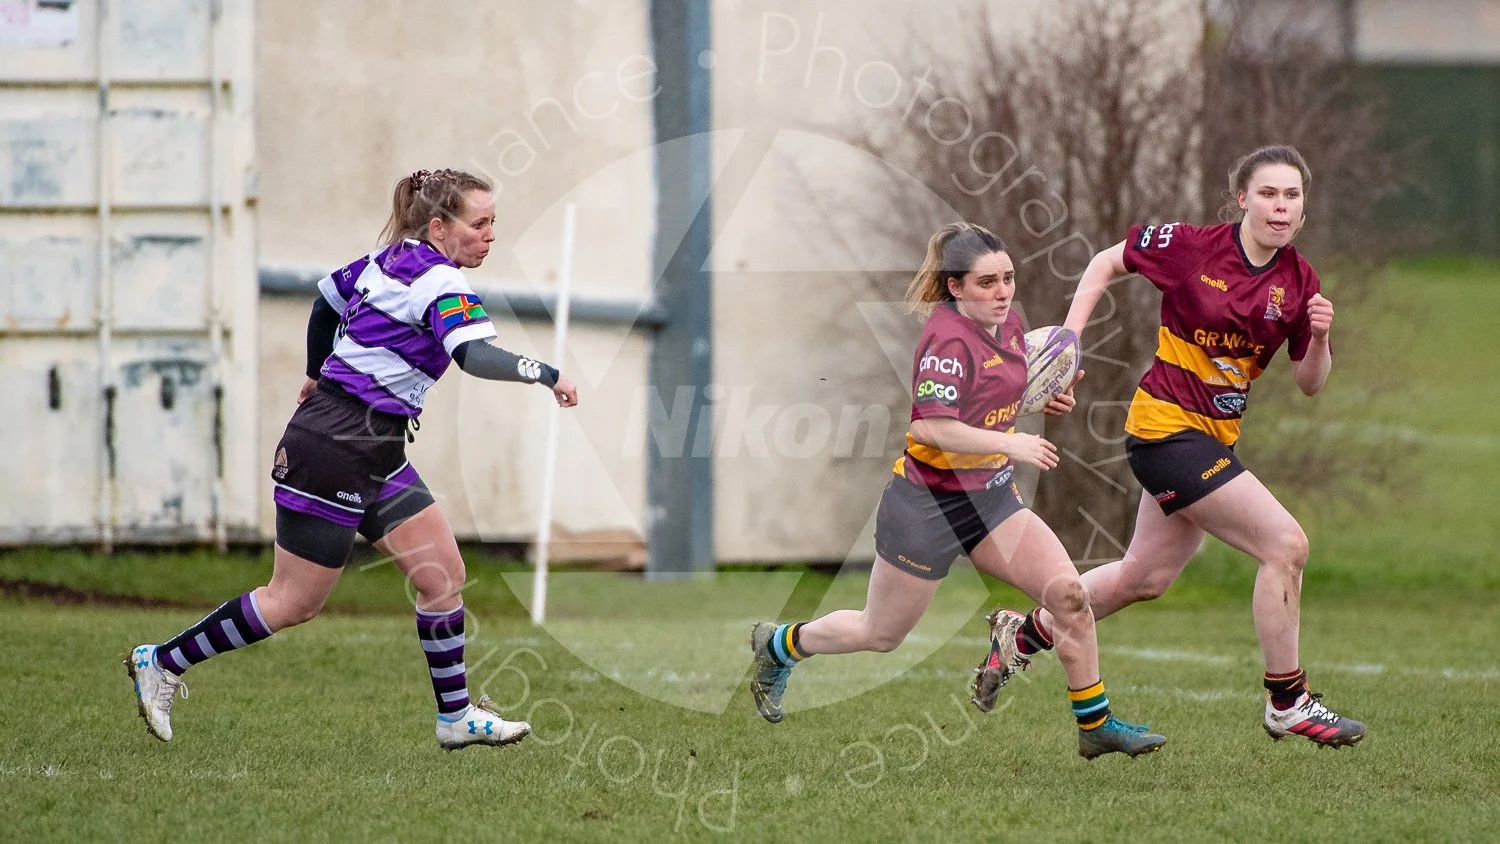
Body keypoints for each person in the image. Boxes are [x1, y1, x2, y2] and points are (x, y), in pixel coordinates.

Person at [125, 168, 579, 750]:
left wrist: (315, 373)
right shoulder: (440, 281)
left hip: (376, 448)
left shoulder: (388, 259)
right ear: (438, 227)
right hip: (333, 447)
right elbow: (473, 355)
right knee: (293, 602)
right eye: (480, 223)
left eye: (494, 223)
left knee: (441, 577)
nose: (491, 235)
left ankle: (455, 717)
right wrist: (548, 374)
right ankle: (161, 661)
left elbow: (324, 305)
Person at [974, 146, 1366, 748]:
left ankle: (1022, 635)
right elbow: (1106, 262)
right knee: (1285, 544)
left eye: (1292, 195)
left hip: (1212, 440)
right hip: (1164, 431)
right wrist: (1070, 339)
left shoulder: (1298, 282)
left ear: (1302, 207)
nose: (1280, 206)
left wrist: (1318, 338)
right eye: (1267, 193)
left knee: (1145, 577)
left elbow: (1310, 384)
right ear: (1242, 198)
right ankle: (1288, 701)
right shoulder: (1191, 247)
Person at [748, 223, 1165, 760]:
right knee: (881, 634)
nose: (1003, 292)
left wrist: (1042, 399)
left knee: (1068, 595)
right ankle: (780, 645)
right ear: (955, 287)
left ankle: (1095, 724)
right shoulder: (945, 341)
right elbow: (931, 428)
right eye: (987, 282)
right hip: (927, 507)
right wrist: (1011, 443)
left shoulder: (1010, 325)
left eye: (1008, 278)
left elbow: (996, 394)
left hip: (990, 500)